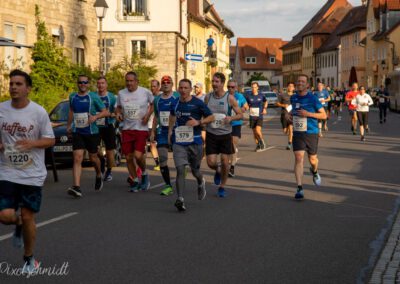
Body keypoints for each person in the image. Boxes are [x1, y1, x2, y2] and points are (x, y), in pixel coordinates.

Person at [0, 70, 55, 274]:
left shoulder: (38, 112)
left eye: (18, 84)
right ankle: (17, 224)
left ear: (28, 88)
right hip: (6, 171)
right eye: (11, 83)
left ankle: (29, 258)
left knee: (28, 215)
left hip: (32, 173)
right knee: (5, 216)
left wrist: (31, 143)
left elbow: (50, 140)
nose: (13, 87)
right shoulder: (1, 110)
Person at [168, 79, 214, 211]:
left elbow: (211, 117)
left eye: (186, 88)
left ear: (190, 90)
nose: (183, 90)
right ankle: (180, 199)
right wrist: (170, 131)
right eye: (181, 88)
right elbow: (172, 116)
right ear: (178, 89)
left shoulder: (198, 103)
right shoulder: (175, 103)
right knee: (180, 170)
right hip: (179, 142)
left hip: (195, 142)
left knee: (195, 171)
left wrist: (199, 122)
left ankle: (200, 181)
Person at [67, 75, 108, 197]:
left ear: (88, 84)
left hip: (92, 132)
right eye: (80, 82)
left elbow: (105, 111)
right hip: (77, 131)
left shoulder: (93, 97)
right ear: (77, 84)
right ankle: (76, 187)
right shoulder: (72, 96)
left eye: (85, 82)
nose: (82, 84)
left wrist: (95, 117)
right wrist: (68, 125)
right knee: (77, 158)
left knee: (93, 158)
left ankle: (99, 173)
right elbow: (71, 110)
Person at [205, 73, 243, 197]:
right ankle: (217, 170)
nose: (214, 84)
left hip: (226, 134)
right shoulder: (208, 97)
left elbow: (240, 114)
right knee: (210, 162)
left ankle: (222, 187)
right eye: (213, 81)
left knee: (225, 162)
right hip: (211, 133)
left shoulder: (229, 98)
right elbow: (203, 113)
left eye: (217, 82)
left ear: (222, 83)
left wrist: (231, 118)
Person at [116, 71, 154, 192]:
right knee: (128, 157)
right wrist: (118, 114)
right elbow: (118, 107)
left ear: (137, 81)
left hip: (141, 128)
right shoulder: (121, 93)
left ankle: (144, 173)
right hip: (127, 129)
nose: (129, 83)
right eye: (127, 81)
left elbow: (153, 104)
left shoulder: (145, 92)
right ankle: (135, 180)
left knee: (138, 155)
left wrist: (148, 116)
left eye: (131, 81)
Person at [291, 74, 327, 200]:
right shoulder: (293, 98)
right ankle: (299, 188)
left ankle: (315, 171)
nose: (299, 83)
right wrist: (288, 116)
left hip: (311, 132)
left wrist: (308, 114)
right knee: (299, 157)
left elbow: (323, 115)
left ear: (307, 85)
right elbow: (291, 112)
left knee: (312, 160)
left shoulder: (313, 99)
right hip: (298, 133)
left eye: (302, 81)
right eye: (298, 81)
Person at [150, 75, 179, 196]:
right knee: (162, 158)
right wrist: (152, 131)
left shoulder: (177, 96)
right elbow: (156, 116)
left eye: (168, 82)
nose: (166, 84)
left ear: (172, 84)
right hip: (162, 130)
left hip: (177, 130)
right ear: (161, 85)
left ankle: (183, 168)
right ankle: (168, 185)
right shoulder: (157, 99)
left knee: (179, 158)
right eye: (164, 82)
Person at [96, 76, 117, 181]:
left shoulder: (112, 97)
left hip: (108, 125)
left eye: (103, 83)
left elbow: (116, 112)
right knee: (95, 150)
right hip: (96, 126)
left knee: (110, 151)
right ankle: (102, 160)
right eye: (99, 83)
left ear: (106, 85)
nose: (100, 85)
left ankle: (109, 172)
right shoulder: (93, 96)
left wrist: (111, 114)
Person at [227, 80, 248, 177]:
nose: (230, 89)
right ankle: (227, 164)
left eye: (232, 87)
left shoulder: (240, 96)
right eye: (228, 87)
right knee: (228, 146)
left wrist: (240, 110)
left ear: (235, 88)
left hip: (236, 123)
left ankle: (232, 167)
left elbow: (246, 106)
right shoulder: (224, 96)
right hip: (226, 124)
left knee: (233, 144)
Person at [245, 81, 268, 152]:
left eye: (255, 87)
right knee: (254, 133)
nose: (253, 89)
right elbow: (246, 104)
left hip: (259, 116)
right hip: (252, 116)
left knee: (258, 130)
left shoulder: (261, 95)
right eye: (252, 87)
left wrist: (264, 109)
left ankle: (262, 141)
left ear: (257, 87)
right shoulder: (248, 96)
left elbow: (266, 101)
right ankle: (258, 145)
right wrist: (246, 107)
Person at [276, 82, 295, 150]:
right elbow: (277, 103)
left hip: (292, 115)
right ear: (287, 87)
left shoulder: (295, 96)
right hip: (284, 114)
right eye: (289, 86)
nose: (290, 87)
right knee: (285, 131)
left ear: (294, 88)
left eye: (292, 86)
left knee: (291, 129)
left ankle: (289, 144)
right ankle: (287, 132)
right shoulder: (282, 95)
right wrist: (284, 105)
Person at [149, 79, 162, 170]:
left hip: (161, 124)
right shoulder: (149, 97)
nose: (152, 88)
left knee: (161, 145)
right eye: (151, 86)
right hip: (150, 124)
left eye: (154, 86)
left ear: (158, 87)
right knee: (152, 144)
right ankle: (158, 163)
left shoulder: (162, 97)